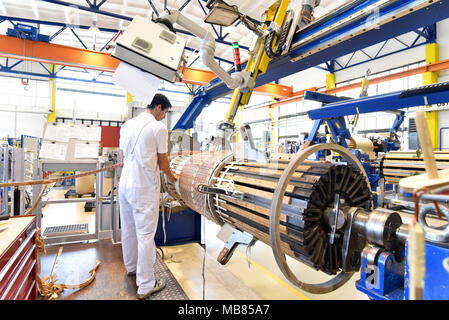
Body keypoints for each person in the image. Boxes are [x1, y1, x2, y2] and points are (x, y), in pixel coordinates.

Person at [118, 93, 177, 300]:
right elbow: (163, 160)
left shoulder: (127, 125)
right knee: (145, 236)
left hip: (124, 184)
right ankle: (145, 286)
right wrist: (171, 177)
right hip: (143, 187)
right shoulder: (158, 128)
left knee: (129, 228)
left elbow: (122, 155)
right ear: (158, 107)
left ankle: (132, 267)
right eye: (165, 113)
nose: (164, 118)